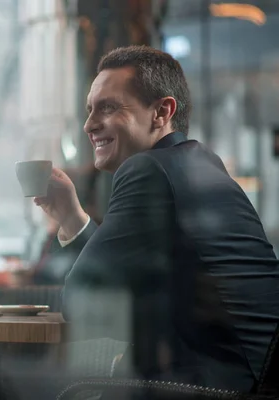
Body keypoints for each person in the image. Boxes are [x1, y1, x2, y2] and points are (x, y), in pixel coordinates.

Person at [36, 46, 279, 392]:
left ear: (162, 112)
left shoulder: (147, 169)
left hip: (202, 389)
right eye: (90, 109)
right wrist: (73, 218)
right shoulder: (201, 164)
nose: (89, 124)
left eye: (108, 107)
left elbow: (81, 301)